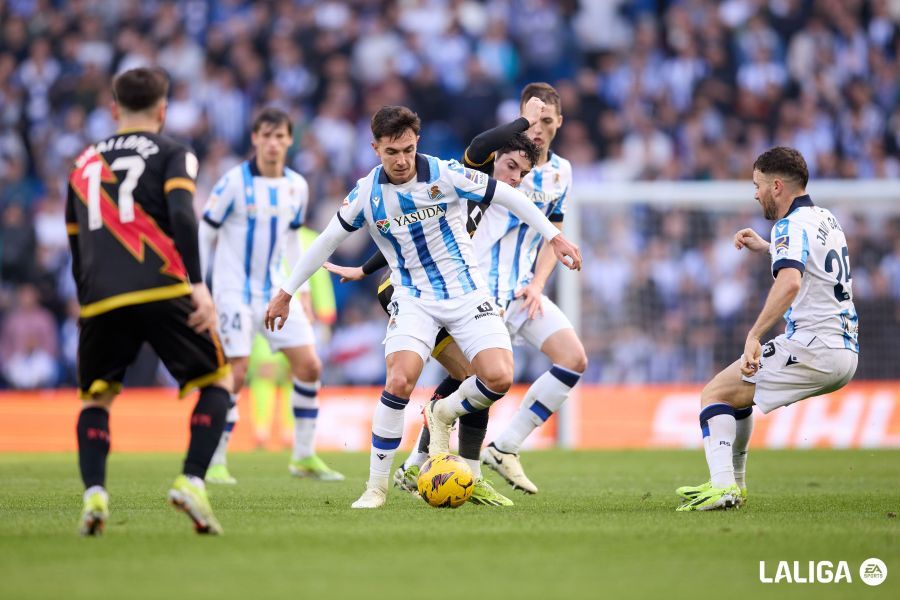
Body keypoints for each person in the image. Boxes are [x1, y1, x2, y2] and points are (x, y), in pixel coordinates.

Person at [265, 105, 582, 508]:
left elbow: (507, 195)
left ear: (418, 143)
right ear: (375, 148)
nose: (401, 160)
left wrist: (553, 236)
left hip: (467, 294)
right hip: (413, 297)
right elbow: (326, 240)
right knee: (400, 380)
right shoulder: (366, 193)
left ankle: (443, 414)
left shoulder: (445, 173)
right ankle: (376, 488)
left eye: (408, 150)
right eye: (391, 152)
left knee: (499, 378)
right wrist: (286, 292)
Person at [325, 96, 548, 505]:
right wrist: (524, 122)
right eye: (510, 166)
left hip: (452, 292)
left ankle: (425, 466)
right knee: (467, 378)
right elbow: (481, 143)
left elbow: (410, 227)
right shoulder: (466, 172)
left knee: (476, 379)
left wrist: (363, 269)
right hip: (408, 292)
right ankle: (435, 468)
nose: (515, 178)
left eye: (523, 173)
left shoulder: (487, 202)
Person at [65, 67, 232, 535]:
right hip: (161, 285)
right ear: (163, 110)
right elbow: (182, 213)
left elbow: (76, 242)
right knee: (217, 381)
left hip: (100, 297)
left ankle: (94, 495)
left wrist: (86, 300)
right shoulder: (173, 152)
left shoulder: (82, 163)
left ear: (113, 108)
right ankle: (191, 481)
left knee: (97, 398)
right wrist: (198, 284)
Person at [676, 147, 859, 511]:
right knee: (737, 393)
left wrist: (754, 334)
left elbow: (790, 282)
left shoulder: (789, 225)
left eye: (757, 185)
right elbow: (812, 265)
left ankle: (724, 486)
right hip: (844, 348)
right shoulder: (826, 218)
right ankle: (734, 485)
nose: (755, 194)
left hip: (814, 345)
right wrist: (768, 247)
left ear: (777, 186)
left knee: (714, 394)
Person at [199, 108, 343, 484]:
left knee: (309, 366)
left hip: (276, 292)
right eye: (266, 135)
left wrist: (303, 290)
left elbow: (294, 241)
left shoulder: (297, 185)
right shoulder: (233, 182)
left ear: (289, 140)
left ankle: (304, 456)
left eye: (280, 136)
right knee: (237, 371)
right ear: (255, 138)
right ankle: (215, 460)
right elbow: (205, 232)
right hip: (233, 293)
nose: (273, 143)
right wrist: (200, 286)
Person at [475, 82, 588, 495]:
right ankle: (418, 462)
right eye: (531, 119)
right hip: (479, 291)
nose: (537, 128)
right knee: (469, 383)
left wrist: (539, 284)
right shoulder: (497, 155)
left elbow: (553, 232)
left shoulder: (562, 172)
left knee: (573, 359)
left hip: (523, 292)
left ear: (559, 122)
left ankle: (505, 447)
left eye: (546, 121)